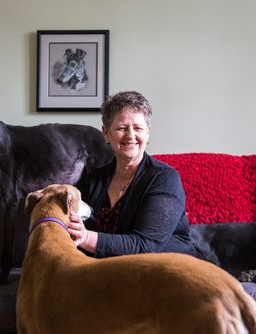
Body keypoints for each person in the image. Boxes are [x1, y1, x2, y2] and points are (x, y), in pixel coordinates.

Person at [67, 91, 197, 258]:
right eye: (122, 128)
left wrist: (85, 237)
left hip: (170, 272)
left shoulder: (164, 179)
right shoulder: (93, 180)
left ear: (147, 132)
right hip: (111, 272)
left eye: (138, 128)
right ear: (106, 133)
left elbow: (145, 247)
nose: (130, 136)